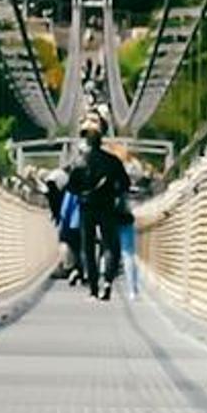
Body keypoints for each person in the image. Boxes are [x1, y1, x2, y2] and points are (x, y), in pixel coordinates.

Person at [67, 127, 133, 301]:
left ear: (87, 143)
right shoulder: (113, 161)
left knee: (87, 248)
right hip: (107, 207)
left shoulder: (80, 161)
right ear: (100, 142)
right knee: (110, 244)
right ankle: (108, 282)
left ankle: (93, 290)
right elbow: (125, 184)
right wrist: (113, 192)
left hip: (87, 208)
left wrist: (84, 191)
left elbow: (71, 187)